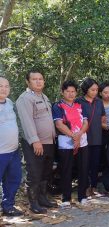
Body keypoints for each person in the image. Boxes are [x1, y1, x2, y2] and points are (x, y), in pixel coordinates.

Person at [16, 69, 57, 214]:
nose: (38, 81)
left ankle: (42, 199)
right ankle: (33, 203)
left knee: (46, 172)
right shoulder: (25, 98)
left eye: (41, 79)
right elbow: (27, 122)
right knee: (35, 173)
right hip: (35, 143)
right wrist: (35, 141)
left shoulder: (44, 97)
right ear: (28, 82)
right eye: (34, 79)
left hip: (48, 142)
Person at [52, 80, 89, 208]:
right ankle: (66, 198)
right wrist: (74, 136)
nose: (70, 94)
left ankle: (82, 196)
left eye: (73, 91)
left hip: (82, 141)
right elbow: (59, 124)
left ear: (76, 92)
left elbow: (85, 123)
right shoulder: (58, 106)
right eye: (67, 91)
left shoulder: (80, 105)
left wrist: (79, 136)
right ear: (62, 92)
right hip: (66, 142)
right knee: (66, 170)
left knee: (83, 169)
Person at [78, 78, 106, 198]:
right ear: (86, 89)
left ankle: (93, 187)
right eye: (92, 90)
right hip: (83, 138)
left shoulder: (99, 102)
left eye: (96, 90)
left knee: (95, 164)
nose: (95, 92)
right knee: (84, 165)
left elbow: (103, 118)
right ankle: (83, 188)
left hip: (97, 137)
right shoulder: (78, 101)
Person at [0, 76, 23, 216]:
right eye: (0, 86)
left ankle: (8, 206)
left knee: (14, 178)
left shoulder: (9, 102)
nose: (3, 89)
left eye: (6, 86)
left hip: (13, 151)